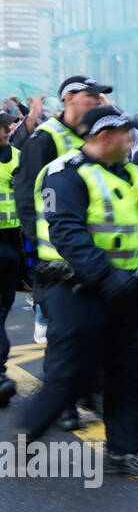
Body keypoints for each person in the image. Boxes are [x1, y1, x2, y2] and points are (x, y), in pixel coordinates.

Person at [16, 105, 138, 476]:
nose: (131, 140)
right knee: (72, 369)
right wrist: (109, 278)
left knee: (128, 369)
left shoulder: (134, 174)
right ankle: (27, 433)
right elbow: (68, 234)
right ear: (105, 137)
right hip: (74, 288)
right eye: (126, 134)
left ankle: (127, 449)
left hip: (126, 289)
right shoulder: (64, 175)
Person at [15, 76, 109, 347]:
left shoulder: (91, 135)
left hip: (89, 248)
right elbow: (25, 194)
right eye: (90, 96)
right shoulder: (46, 138)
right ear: (68, 98)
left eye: (98, 98)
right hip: (59, 256)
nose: (96, 102)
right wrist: (42, 242)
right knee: (65, 343)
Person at [0, 114, 22, 405]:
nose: (8, 129)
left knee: (5, 307)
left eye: (9, 125)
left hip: (13, 241)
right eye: (3, 125)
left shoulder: (19, 155)